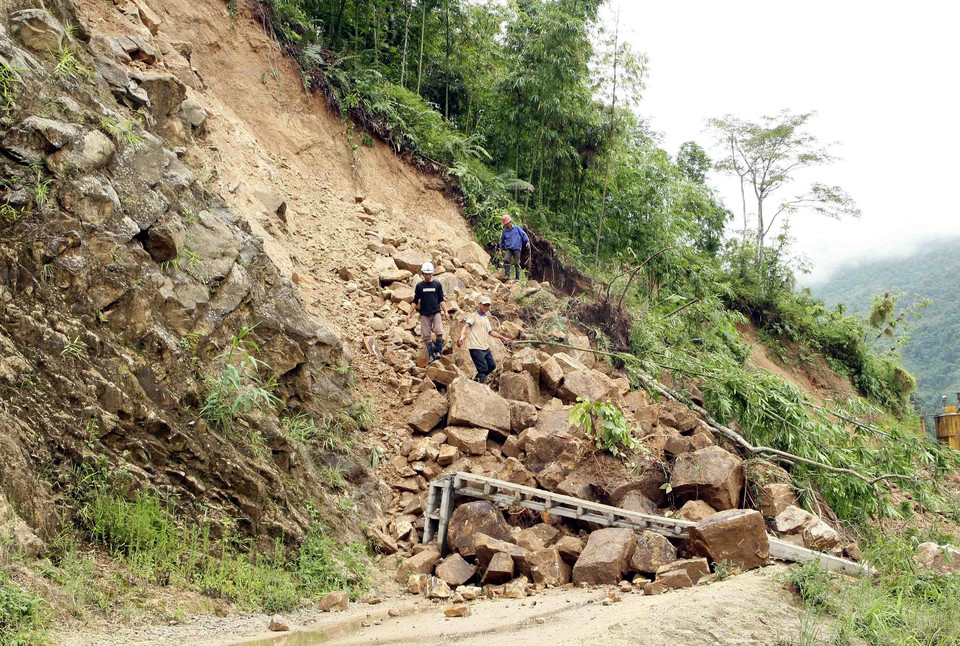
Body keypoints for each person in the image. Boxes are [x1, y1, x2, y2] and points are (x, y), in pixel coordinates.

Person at [457, 295, 514, 383]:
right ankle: (480, 385)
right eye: (484, 305)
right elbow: (466, 326)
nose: (486, 307)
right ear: (480, 304)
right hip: (475, 347)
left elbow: (490, 332)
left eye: (488, 305)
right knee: (483, 369)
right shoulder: (473, 316)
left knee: (492, 365)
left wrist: (504, 338)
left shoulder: (485, 317)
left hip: (485, 347)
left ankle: (476, 380)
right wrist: (462, 336)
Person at [407, 262, 449, 363]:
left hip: (436, 312)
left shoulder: (437, 285)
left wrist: (446, 311)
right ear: (423, 274)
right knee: (426, 335)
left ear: (432, 274)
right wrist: (409, 313)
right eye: (426, 274)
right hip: (424, 313)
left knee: (439, 331)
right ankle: (431, 355)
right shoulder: (420, 286)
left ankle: (438, 352)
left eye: (429, 274)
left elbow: (441, 299)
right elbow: (415, 300)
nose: (428, 276)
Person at [498, 215, 530, 282]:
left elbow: (523, 235)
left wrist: (527, 242)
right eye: (506, 224)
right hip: (509, 248)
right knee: (506, 259)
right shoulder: (505, 232)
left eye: (508, 223)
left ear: (510, 222)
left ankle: (517, 278)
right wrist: (500, 250)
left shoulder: (517, 228)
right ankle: (507, 275)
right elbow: (502, 242)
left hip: (517, 248)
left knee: (516, 263)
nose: (507, 225)